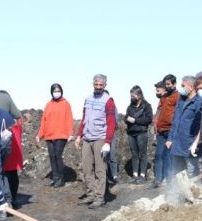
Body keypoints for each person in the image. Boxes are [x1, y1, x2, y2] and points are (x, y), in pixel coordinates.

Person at [74, 74, 116, 208]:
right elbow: (84, 118)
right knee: (86, 168)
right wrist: (79, 135)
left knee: (100, 169)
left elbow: (111, 123)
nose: (98, 87)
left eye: (101, 85)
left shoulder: (108, 101)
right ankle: (91, 194)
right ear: (93, 84)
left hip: (100, 138)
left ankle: (99, 197)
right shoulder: (88, 99)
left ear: (105, 86)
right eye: (96, 84)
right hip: (87, 137)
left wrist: (107, 142)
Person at [36, 83, 74, 188]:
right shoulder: (48, 105)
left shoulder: (66, 104)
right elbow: (44, 121)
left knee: (58, 156)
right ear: (51, 92)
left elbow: (69, 119)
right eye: (54, 91)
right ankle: (55, 178)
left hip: (61, 135)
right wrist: (39, 135)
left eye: (58, 91)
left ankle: (61, 179)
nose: (56, 93)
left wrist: (70, 133)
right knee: (52, 157)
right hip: (49, 135)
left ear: (61, 91)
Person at [167, 75, 202, 178]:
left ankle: (196, 192)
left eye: (183, 86)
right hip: (176, 142)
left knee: (192, 171)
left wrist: (196, 142)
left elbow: (200, 125)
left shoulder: (198, 102)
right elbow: (175, 121)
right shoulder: (181, 100)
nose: (181, 88)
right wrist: (170, 138)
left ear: (191, 87)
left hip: (189, 143)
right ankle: (178, 193)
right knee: (177, 172)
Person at [152, 74, 180, 187]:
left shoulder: (177, 96)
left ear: (174, 84)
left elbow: (178, 114)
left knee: (168, 155)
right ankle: (158, 179)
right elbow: (160, 112)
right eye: (166, 84)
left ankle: (169, 180)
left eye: (168, 84)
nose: (167, 86)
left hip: (170, 130)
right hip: (161, 130)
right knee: (158, 155)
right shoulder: (163, 97)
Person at [125, 85, 153, 184]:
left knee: (143, 154)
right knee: (134, 154)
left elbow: (149, 119)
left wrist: (135, 120)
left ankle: (142, 175)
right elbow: (126, 118)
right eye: (131, 95)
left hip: (141, 133)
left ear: (139, 95)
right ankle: (135, 175)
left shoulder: (147, 106)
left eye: (134, 95)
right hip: (131, 133)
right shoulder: (130, 106)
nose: (132, 97)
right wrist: (128, 120)